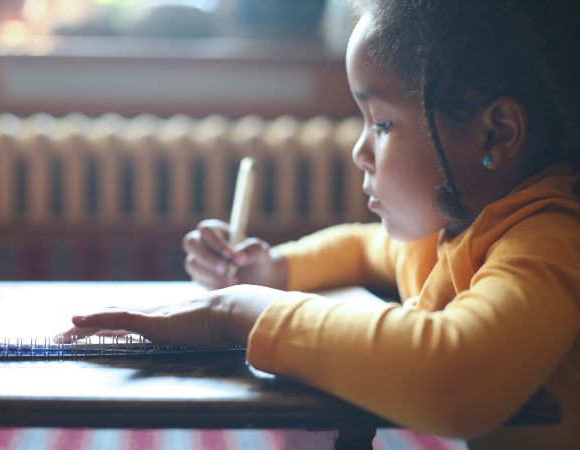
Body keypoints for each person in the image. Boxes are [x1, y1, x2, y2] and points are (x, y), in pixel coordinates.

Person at [61, 0, 580, 447]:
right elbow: (361, 248)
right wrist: (272, 267)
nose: (360, 151)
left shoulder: (551, 238)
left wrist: (236, 310)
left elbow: (455, 377)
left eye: (380, 123)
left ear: (496, 134)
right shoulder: (460, 231)